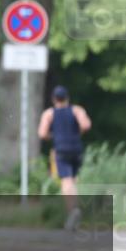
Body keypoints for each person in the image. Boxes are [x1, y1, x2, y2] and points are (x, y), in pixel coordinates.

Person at [38, 86, 92, 231]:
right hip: (76, 148)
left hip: (61, 149)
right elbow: (86, 125)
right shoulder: (76, 110)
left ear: (54, 99)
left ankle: (73, 210)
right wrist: (77, 132)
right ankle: (75, 215)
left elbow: (42, 133)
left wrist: (54, 136)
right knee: (73, 179)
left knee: (66, 181)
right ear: (67, 98)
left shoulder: (49, 113)